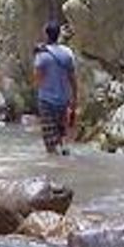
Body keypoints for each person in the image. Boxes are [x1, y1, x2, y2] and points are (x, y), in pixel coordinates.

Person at [32, 21, 77, 154]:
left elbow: (37, 78)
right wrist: (75, 99)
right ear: (58, 34)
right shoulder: (67, 53)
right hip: (63, 101)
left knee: (50, 141)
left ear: (46, 34)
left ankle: (54, 169)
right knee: (62, 135)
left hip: (46, 101)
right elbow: (73, 79)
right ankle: (65, 158)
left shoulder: (42, 55)